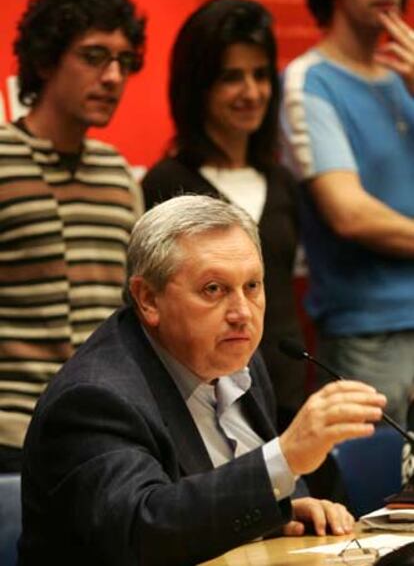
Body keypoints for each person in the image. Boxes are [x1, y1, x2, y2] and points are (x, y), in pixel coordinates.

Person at [19, 194, 387, 566]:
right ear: (148, 299)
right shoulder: (95, 398)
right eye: (214, 289)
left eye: (252, 286)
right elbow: (143, 531)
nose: (242, 313)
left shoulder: (237, 359)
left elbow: (213, 506)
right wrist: (284, 457)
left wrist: (280, 510)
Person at [0, 0, 145, 472]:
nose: (112, 77)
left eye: (123, 62)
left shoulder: (117, 173)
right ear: (44, 61)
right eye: (93, 56)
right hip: (10, 434)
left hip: (103, 432)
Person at [142, 0, 305, 432]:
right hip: (205, 411)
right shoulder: (166, 183)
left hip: (288, 395)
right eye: (231, 77)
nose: (251, 92)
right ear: (199, 85)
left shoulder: (283, 181)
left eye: (260, 75)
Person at [280, 0, 414, 425]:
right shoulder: (309, 80)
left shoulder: (406, 79)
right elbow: (350, 213)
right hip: (368, 334)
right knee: (377, 494)